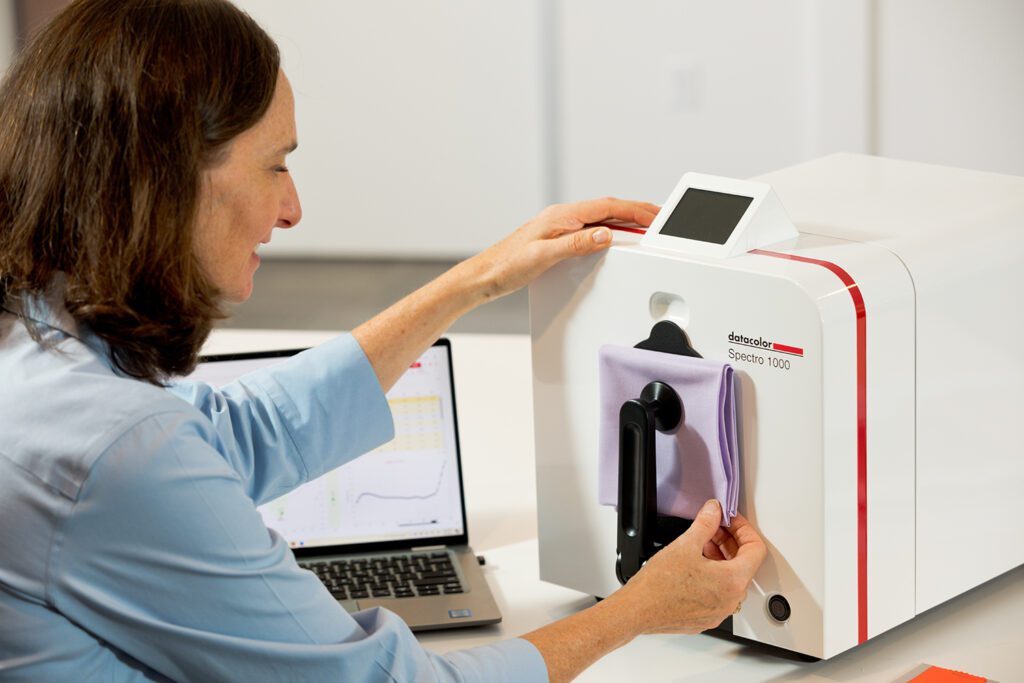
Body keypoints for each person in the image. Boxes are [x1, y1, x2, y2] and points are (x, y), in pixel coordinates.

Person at [0, 1, 767, 681]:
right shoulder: (117, 449)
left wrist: (478, 279)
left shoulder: (40, 340)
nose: (294, 208)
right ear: (169, 180)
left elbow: (233, 435)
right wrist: (636, 612)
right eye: (276, 166)